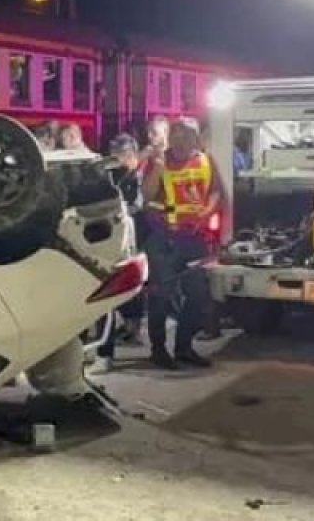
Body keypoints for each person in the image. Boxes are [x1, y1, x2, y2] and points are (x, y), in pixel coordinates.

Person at [139, 117, 223, 369]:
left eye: (186, 135)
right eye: (176, 134)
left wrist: (206, 212)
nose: (180, 140)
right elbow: (146, 196)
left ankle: (184, 348)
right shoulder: (159, 162)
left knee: (197, 295)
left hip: (194, 239)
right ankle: (158, 350)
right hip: (164, 240)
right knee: (161, 296)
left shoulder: (205, 161)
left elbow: (215, 191)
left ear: (195, 138)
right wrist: (158, 167)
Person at [92, 133, 148, 372]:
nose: (116, 160)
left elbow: (135, 208)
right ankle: (105, 351)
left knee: (120, 297)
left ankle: (110, 349)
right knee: (108, 301)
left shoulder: (139, 178)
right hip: (113, 247)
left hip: (131, 246)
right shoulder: (111, 178)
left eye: (121, 155)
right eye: (114, 154)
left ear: (132, 155)